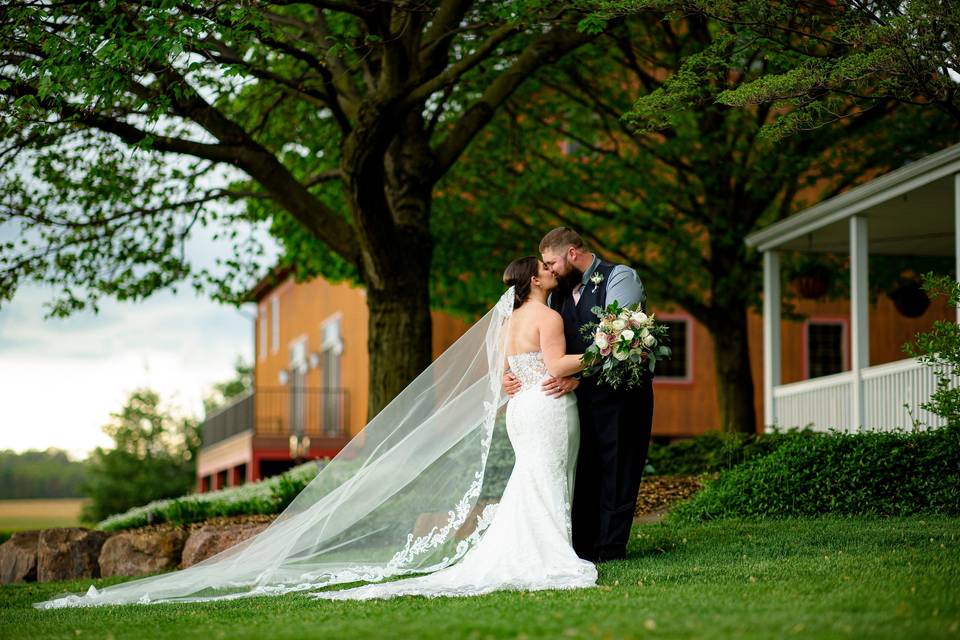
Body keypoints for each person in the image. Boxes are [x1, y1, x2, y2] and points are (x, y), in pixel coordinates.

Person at [34, 257, 596, 608]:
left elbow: (500, 373)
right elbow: (555, 365)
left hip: (523, 411)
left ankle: (536, 548)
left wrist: (522, 377)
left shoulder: (509, 321)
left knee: (533, 480)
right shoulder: (546, 320)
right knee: (546, 479)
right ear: (531, 279)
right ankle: (549, 552)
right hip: (545, 407)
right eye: (545, 269)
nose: (552, 272)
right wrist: (603, 349)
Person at [503, 227, 653, 562]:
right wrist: (512, 374)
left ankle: (610, 548)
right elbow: (542, 350)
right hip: (568, 399)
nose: (550, 270)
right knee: (581, 470)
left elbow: (623, 339)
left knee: (617, 470)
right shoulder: (554, 296)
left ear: (572, 253)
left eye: (551, 262)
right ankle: (580, 546)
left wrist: (579, 376)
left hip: (620, 396)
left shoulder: (619, 277)